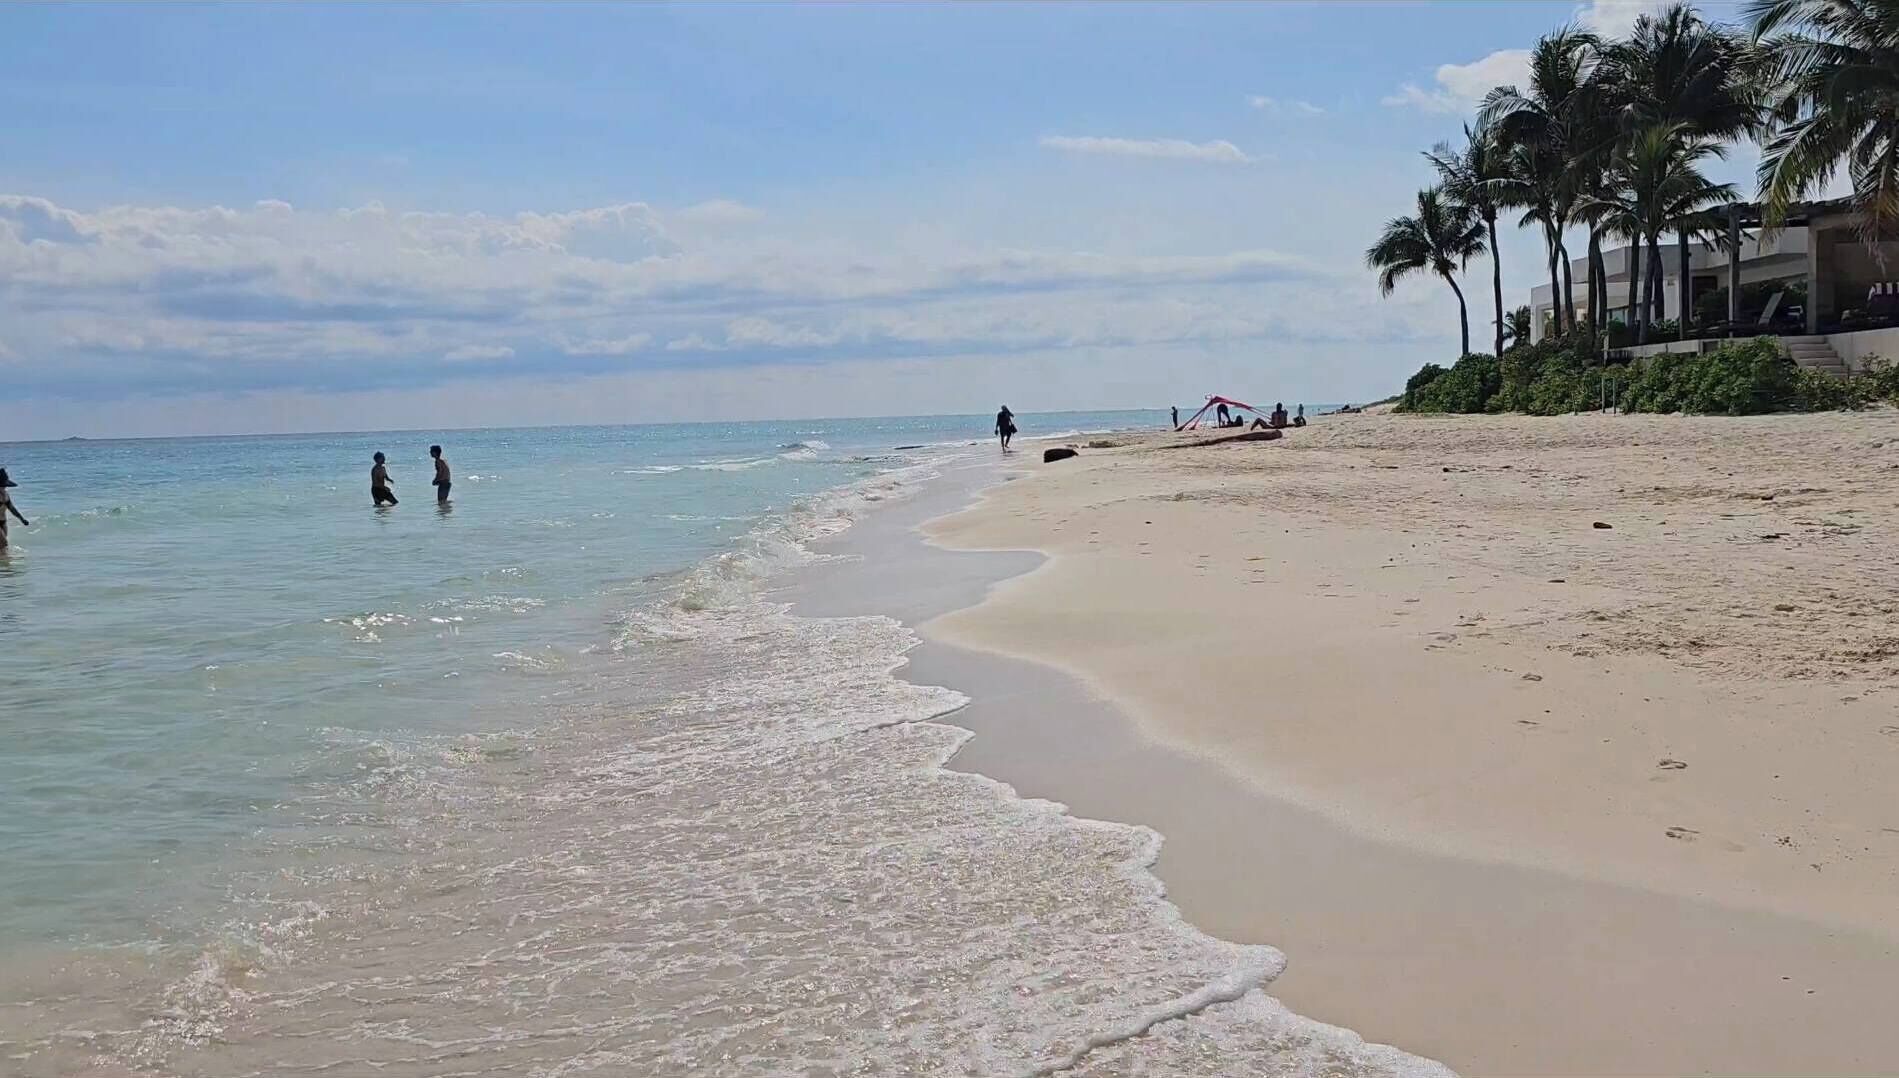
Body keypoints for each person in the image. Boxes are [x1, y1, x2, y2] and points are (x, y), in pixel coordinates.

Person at [0, 469, 27, 551]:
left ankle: (3, 562)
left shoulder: (6, 494)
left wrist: (22, 519)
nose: (4, 487)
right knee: (4, 543)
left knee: (2, 547)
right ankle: (6, 562)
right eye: (2, 485)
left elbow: (12, 508)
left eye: (5, 486)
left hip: (3, 522)